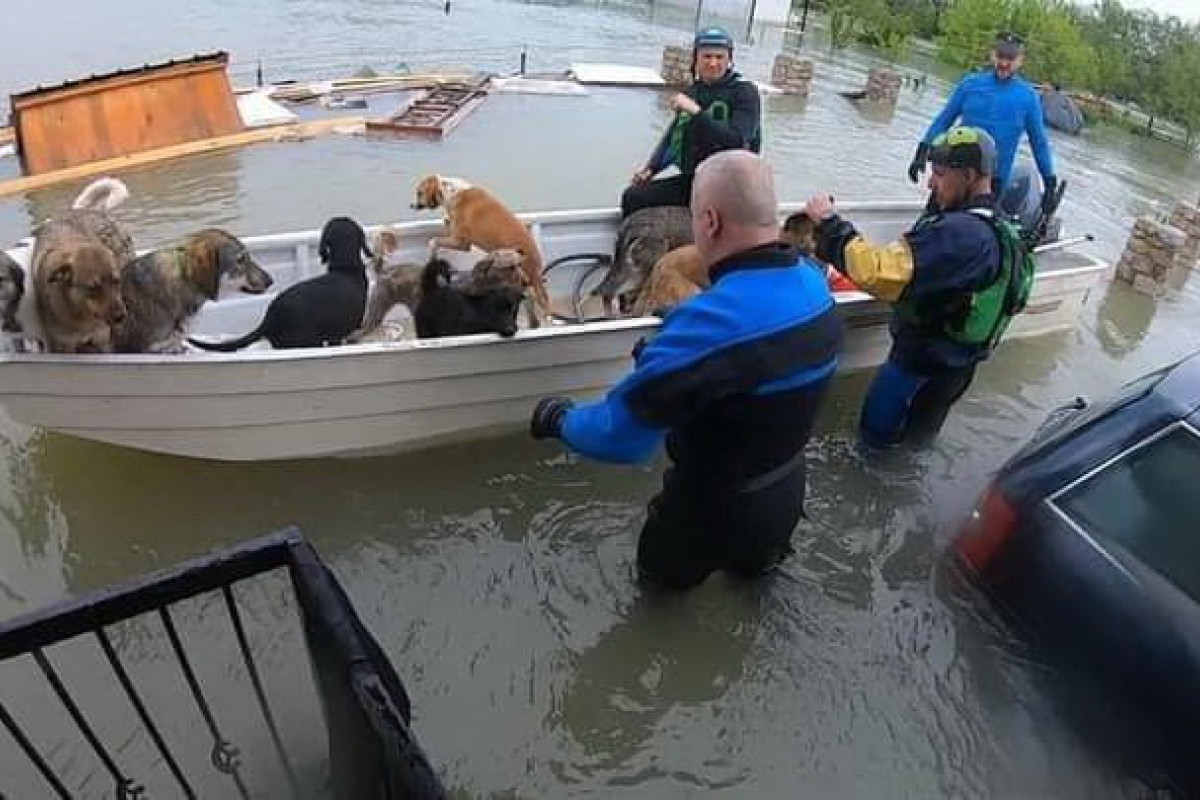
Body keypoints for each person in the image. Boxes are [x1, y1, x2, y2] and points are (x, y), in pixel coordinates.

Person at [531, 150, 842, 591]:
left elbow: (619, 439)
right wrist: (669, 368)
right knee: (755, 594)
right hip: (785, 497)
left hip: (706, 514)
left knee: (658, 603)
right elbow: (756, 383)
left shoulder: (702, 329)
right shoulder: (815, 284)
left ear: (710, 221)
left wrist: (559, 419)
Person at [809, 126, 1032, 449]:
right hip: (955, 370)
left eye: (939, 174)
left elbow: (877, 274)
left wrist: (830, 223)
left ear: (969, 176)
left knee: (872, 444)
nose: (930, 183)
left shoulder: (961, 236)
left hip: (915, 367)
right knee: (917, 441)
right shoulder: (998, 227)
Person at [619, 26, 763, 219]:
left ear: (730, 60)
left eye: (719, 57)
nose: (713, 63)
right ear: (696, 59)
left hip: (731, 186)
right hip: (696, 180)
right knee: (633, 196)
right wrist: (651, 169)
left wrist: (696, 111)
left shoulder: (745, 92)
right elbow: (674, 137)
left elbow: (737, 140)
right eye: (707, 56)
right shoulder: (692, 92)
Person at [907, 32, 1057, 210]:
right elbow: (943, 121)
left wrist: (1049, 183)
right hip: (956, 173)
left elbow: (1039, 142)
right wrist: (922, 151)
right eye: (1000, 56)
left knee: (975, 230)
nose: (1004, 63)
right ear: (992, 54)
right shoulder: (970, 84)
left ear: (1020, 61)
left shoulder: (1029, 98)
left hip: (994, 181)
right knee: (931, 224)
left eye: (1010, 58)